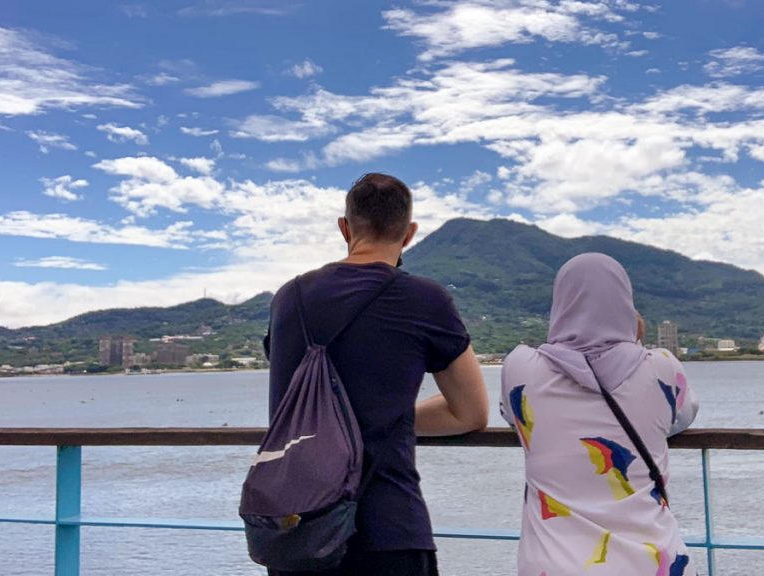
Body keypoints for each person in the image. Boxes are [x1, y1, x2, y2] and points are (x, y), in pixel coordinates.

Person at [265, 173, 489, 576]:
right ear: (409, 234)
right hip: (389, 529)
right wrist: (390, 421)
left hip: (298, 530)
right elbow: (470, 413)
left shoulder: (289, 297)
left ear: (345, 227)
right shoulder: (426, 299)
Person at [500, 252, 699, 576]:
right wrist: (632, 343)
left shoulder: (521, 367)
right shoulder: (662, 366)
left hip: (554, 565)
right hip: (654, 563)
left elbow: (514, 418)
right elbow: (681, 418)